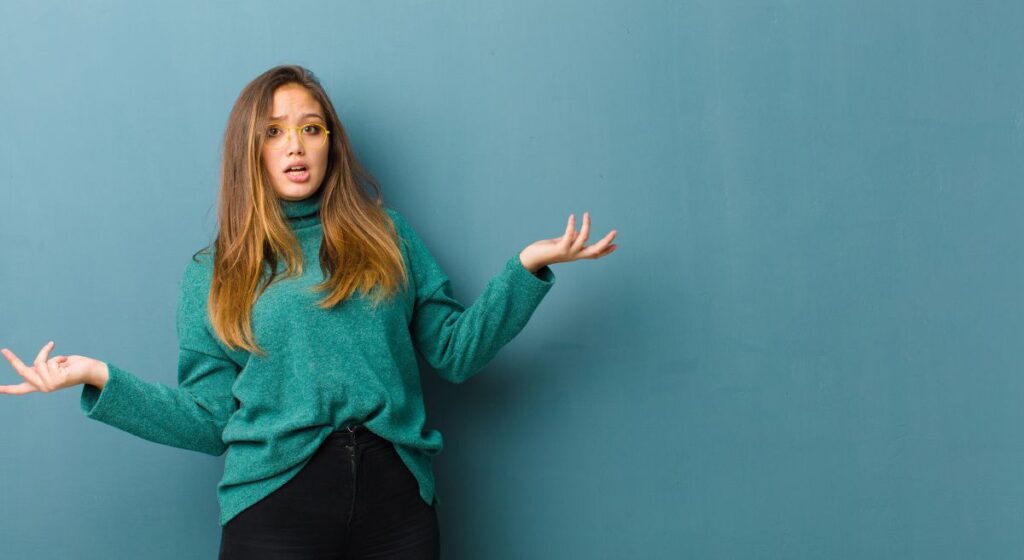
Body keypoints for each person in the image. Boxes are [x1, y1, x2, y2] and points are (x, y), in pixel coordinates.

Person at [0, 64, 618, 559]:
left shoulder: (387, 236)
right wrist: (98, 378)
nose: (295, 145)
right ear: (251, 150)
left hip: (396, 503)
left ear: (331, 144)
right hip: (275, 508)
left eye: (311, 128)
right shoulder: (214, 271)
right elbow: (209, 419)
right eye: (273, 131)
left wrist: (528, 267)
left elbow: (454, 354)